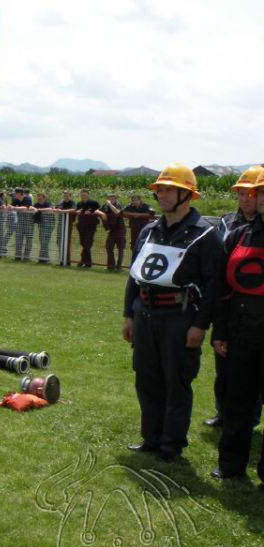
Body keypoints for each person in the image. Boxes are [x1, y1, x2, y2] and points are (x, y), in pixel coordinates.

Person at [122, 163, 224, 463]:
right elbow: (135, 274)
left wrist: (200, 325)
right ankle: (151, 438)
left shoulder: (206, 236)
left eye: (170, 190)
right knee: (146, 379)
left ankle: (171, 444)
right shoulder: (150, 230)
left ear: (187, 195)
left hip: (179, 318)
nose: (162, 195)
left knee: (176, 381)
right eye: (160, 189)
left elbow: (213, 285)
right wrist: (129, 314)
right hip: (145, 316)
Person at [211, 165, 264, 481]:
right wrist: (220, 331)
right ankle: (231, 466)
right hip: (242, 331)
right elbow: (222, 289)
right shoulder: (237, 235)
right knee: (238, 402)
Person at [97, 194, 127, 270]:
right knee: (109, 247)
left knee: (120, 248)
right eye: (110, 199)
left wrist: (110, 204)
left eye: (113, 199)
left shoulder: (118, 205)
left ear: (115, 199)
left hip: (120, 230)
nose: (111, 200)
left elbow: (117, 212)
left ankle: (119, 266)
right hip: (111, 230)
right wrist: (102, 213)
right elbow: (96, 210)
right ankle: (111, 266)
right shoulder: (105, 206)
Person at [74, 189, 101, 267]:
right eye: (82, 195)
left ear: (88, 195)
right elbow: (76, 211)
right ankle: (87, 262)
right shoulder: (79, 204)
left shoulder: (94, 203)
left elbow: (99, 210)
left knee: (87, 244)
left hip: (91, 226)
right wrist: (77, 212)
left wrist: (92, 212)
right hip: (81, 226)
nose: (83, 197)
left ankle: (83, 261)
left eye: (85, 195)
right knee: (83, 243)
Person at [9, 187, 34, 260]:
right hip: (20, 222)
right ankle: (17, 256)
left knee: (29, 240)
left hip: (28, 222)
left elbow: (25, 208)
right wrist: (9, 207)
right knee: (18, 239)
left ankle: (26, 257)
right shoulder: (15, 200)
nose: (14, 195)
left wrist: (15, 208)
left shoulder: (27, 198)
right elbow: (11, 206)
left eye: (15, 193)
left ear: (19, 193)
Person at [32, 191, 55, 263]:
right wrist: (33, 209)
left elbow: (50, 209)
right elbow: (32, 207)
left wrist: (38, 210)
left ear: (44, 198)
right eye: (38, 198)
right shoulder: (36, 204)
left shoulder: (48, 203)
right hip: (41, 225)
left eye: (41, 198)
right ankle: (44, 258)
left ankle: (43, 258)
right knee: (42, 241)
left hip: (49, 224)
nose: (39, 199)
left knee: (45, 241)